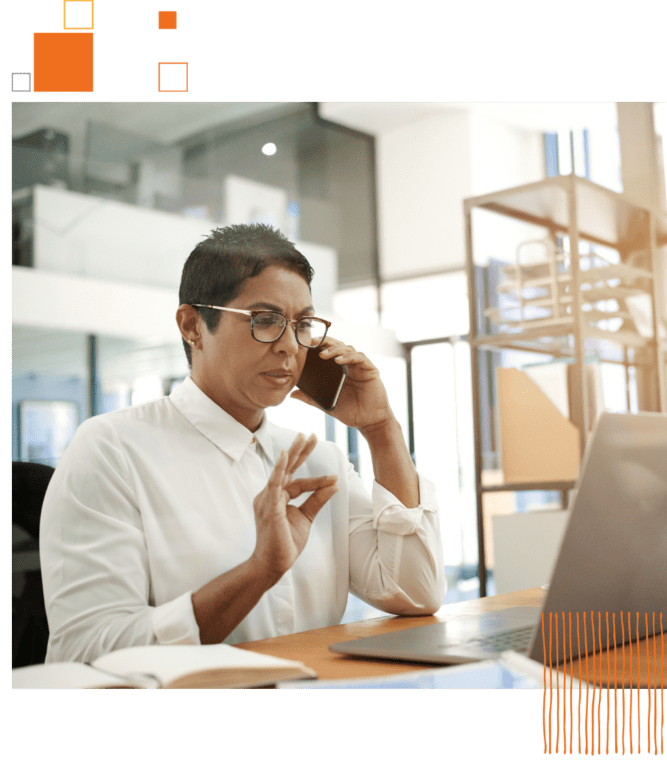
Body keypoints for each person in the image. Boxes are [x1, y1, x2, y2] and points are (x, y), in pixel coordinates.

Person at [40, 224, 445, 663]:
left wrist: (381, 430)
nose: (290, 346)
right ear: (193, 325)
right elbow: (87, 651)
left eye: (303, 324)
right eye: (265, 320)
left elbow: (416, 594)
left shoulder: (317, 462)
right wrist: (259, 572)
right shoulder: (112, 450)